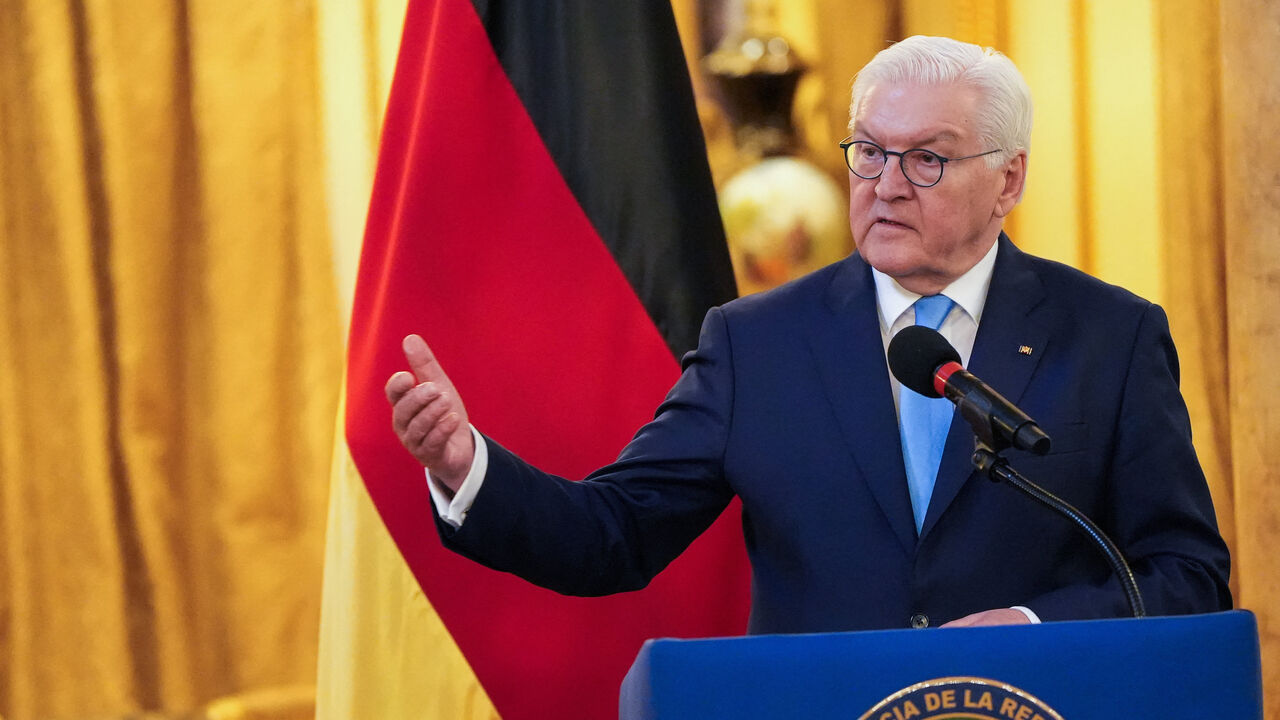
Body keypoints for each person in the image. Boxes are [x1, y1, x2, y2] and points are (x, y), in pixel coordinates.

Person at [384, 35, 1231, 632]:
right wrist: (467, 468)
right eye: (869, 151)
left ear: (1008, 179)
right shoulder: (757, 346)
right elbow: (612, 535)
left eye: (927, 158)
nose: (887, 185)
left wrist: (1033, 623)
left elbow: (1186, 574)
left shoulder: (1111, 337)